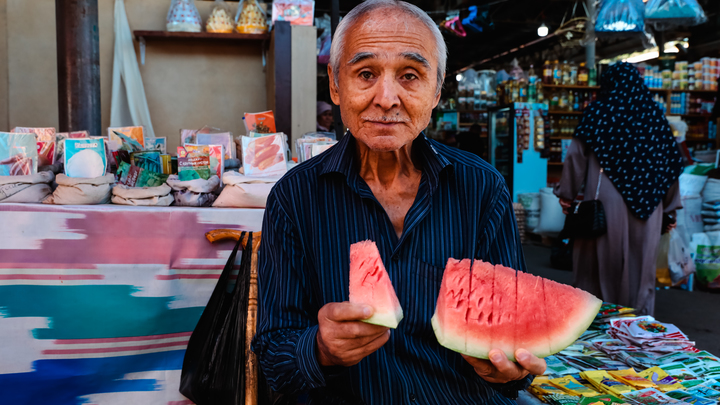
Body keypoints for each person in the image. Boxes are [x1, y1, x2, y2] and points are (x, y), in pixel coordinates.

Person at [251, 0, 546, 403]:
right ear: (336, 86)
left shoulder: (482, 188)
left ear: (437, 89)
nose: (386, 98)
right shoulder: (294, 197)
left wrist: (508, 369)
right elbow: (272, 358)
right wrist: (319, 348)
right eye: (366, 73)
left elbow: (510, 344)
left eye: (410, 75)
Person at [555, 62, 684, 316]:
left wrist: (567, 194)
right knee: (641, 266)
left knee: (599, 264)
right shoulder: (654, 115)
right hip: (648, 206)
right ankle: (637, 324)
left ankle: (596, 321)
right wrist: (670, 209)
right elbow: (670, 163)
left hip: (605, 204)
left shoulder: (598, 112)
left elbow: (576, 157)